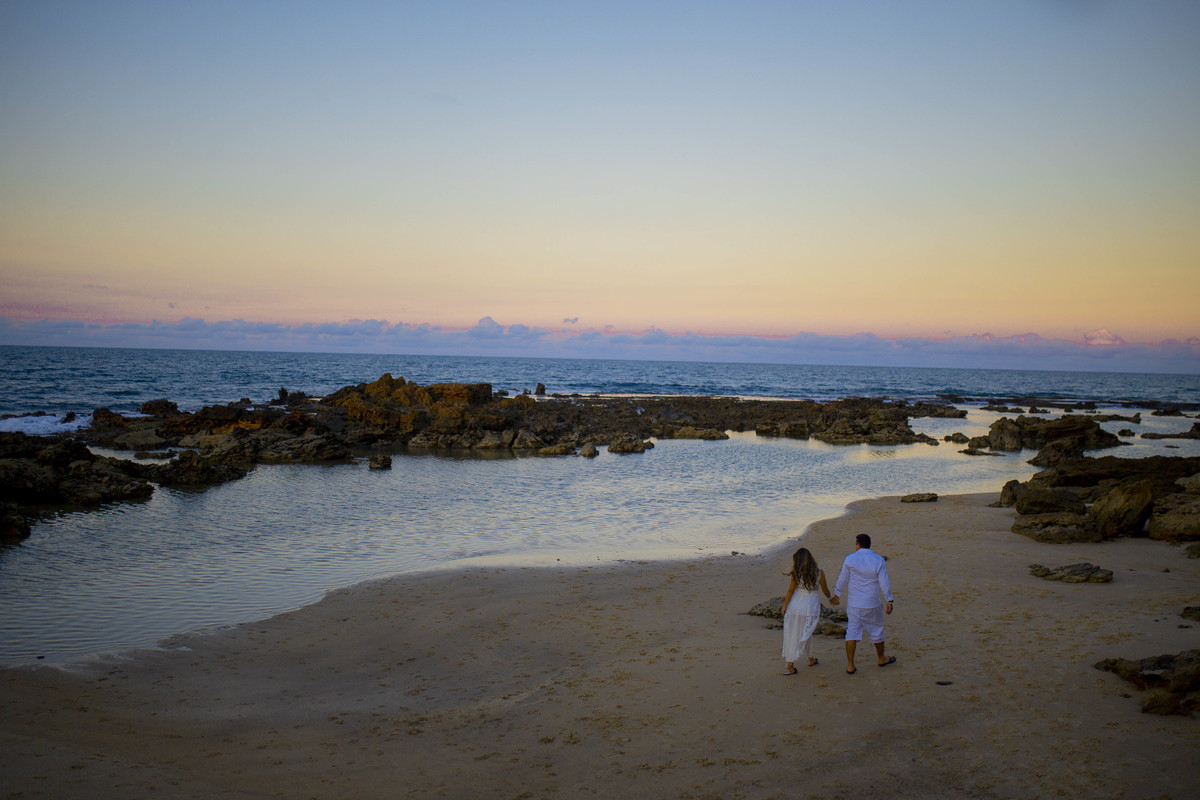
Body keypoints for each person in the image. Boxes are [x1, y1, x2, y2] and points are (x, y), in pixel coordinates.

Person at [829, 533, 895, 674]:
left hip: (855, 603)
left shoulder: (850, 559)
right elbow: (884, 583)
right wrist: (889, 599)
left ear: (858, 544)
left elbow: (843, 579)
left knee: (852, 632)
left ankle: (850, 665)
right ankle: (881, 658)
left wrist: (837, 594)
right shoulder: (878, 560)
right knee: (877, 630)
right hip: (872, 602)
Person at [780, 547, 831, 674]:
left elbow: (790, 590)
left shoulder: (797, 573)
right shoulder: (819, 572)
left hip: (796, 604)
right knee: (805, 632)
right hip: (810, 605)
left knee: (801, 632)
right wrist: (830, 598)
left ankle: (810, 658)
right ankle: (790, 663)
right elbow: (825, 589)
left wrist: (785, 606)